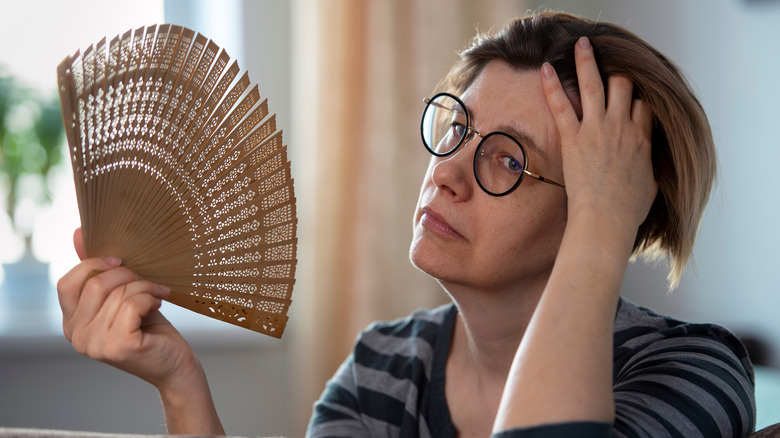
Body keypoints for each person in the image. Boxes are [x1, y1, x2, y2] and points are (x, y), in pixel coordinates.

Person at [57, 11, 755, 438]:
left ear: (607, 206)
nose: (445, 173)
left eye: (507, 161)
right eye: (455, 128)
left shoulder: (692, 370)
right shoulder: (383, 370)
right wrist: (180, 385)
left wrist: (602, 233)